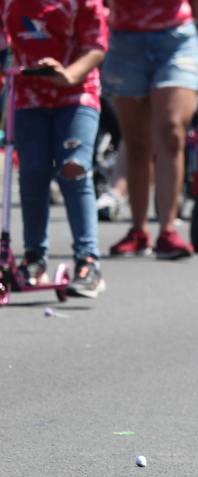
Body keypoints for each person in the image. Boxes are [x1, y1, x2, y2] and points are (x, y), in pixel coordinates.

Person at [103, 0, 198, 260]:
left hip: (175, 41)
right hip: (125, 43)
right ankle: (138, 230)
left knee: (171, 130)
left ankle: (168, 230)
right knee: (136, 142)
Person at [0, 0, 108, 297]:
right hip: (27, 96)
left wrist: (69, 75)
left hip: (76, 94)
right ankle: (34, 258)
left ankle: (88, 262)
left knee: (73, 168)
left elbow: (95, 46)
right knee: (33, 172)